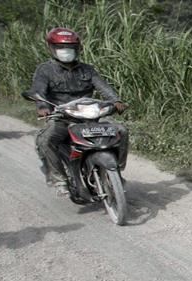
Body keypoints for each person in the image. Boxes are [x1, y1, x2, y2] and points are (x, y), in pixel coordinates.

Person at [31, 27, 128, 193]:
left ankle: (116, 169)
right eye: (61, 48)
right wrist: (42, 107)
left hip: (89, 117)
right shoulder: (45, 70)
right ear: (51, 48)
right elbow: (39, 91)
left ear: (77, 49)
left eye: (70, 48)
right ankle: (58, 178)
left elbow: (103, 87)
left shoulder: (87, 69)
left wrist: (116, 100)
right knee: (45, 140)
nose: (66, 52)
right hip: (62, 117)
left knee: (121, 131)